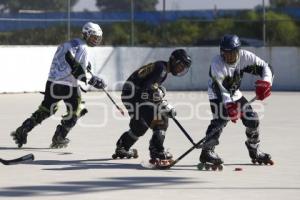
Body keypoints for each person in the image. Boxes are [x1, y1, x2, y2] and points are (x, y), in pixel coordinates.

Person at [11, 22, 106, 148]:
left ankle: (23, 129)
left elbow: (67, 62)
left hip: (52, 83)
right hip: (68, 85)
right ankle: (59, 137)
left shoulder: (67, 44)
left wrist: (86, 67)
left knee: (46, 109)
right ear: (86, 34)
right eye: (94, 37)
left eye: (98, 38)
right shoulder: (83, 48)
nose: (96, 40)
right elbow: (78, 72)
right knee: (76, 110)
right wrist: (94, 80)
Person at [198, 34, 274, 169]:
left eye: (231, 53)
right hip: (217, 94)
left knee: (253, 120)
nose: (228, 57)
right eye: (224, 53)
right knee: (220, 120)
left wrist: (266, 83)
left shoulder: (246, 57)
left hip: (235, 93)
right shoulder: (217, 63)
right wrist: (229, 107)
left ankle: (254, 148)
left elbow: (266, 68)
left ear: (238, 51)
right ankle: (207, 151)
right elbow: (221, 88)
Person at [112, 49, 192, 166]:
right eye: (180, 65)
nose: (181, 69)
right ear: (174, 60)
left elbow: (148, 88)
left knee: (140, 125)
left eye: (183, 67)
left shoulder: (161, 67)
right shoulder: (162, 70)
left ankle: (122, 146)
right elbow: (147, 90)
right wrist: (163, 103)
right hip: (134, 95)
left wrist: (158, 93)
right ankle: (157, 151)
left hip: (130, 94)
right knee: (161, 118)